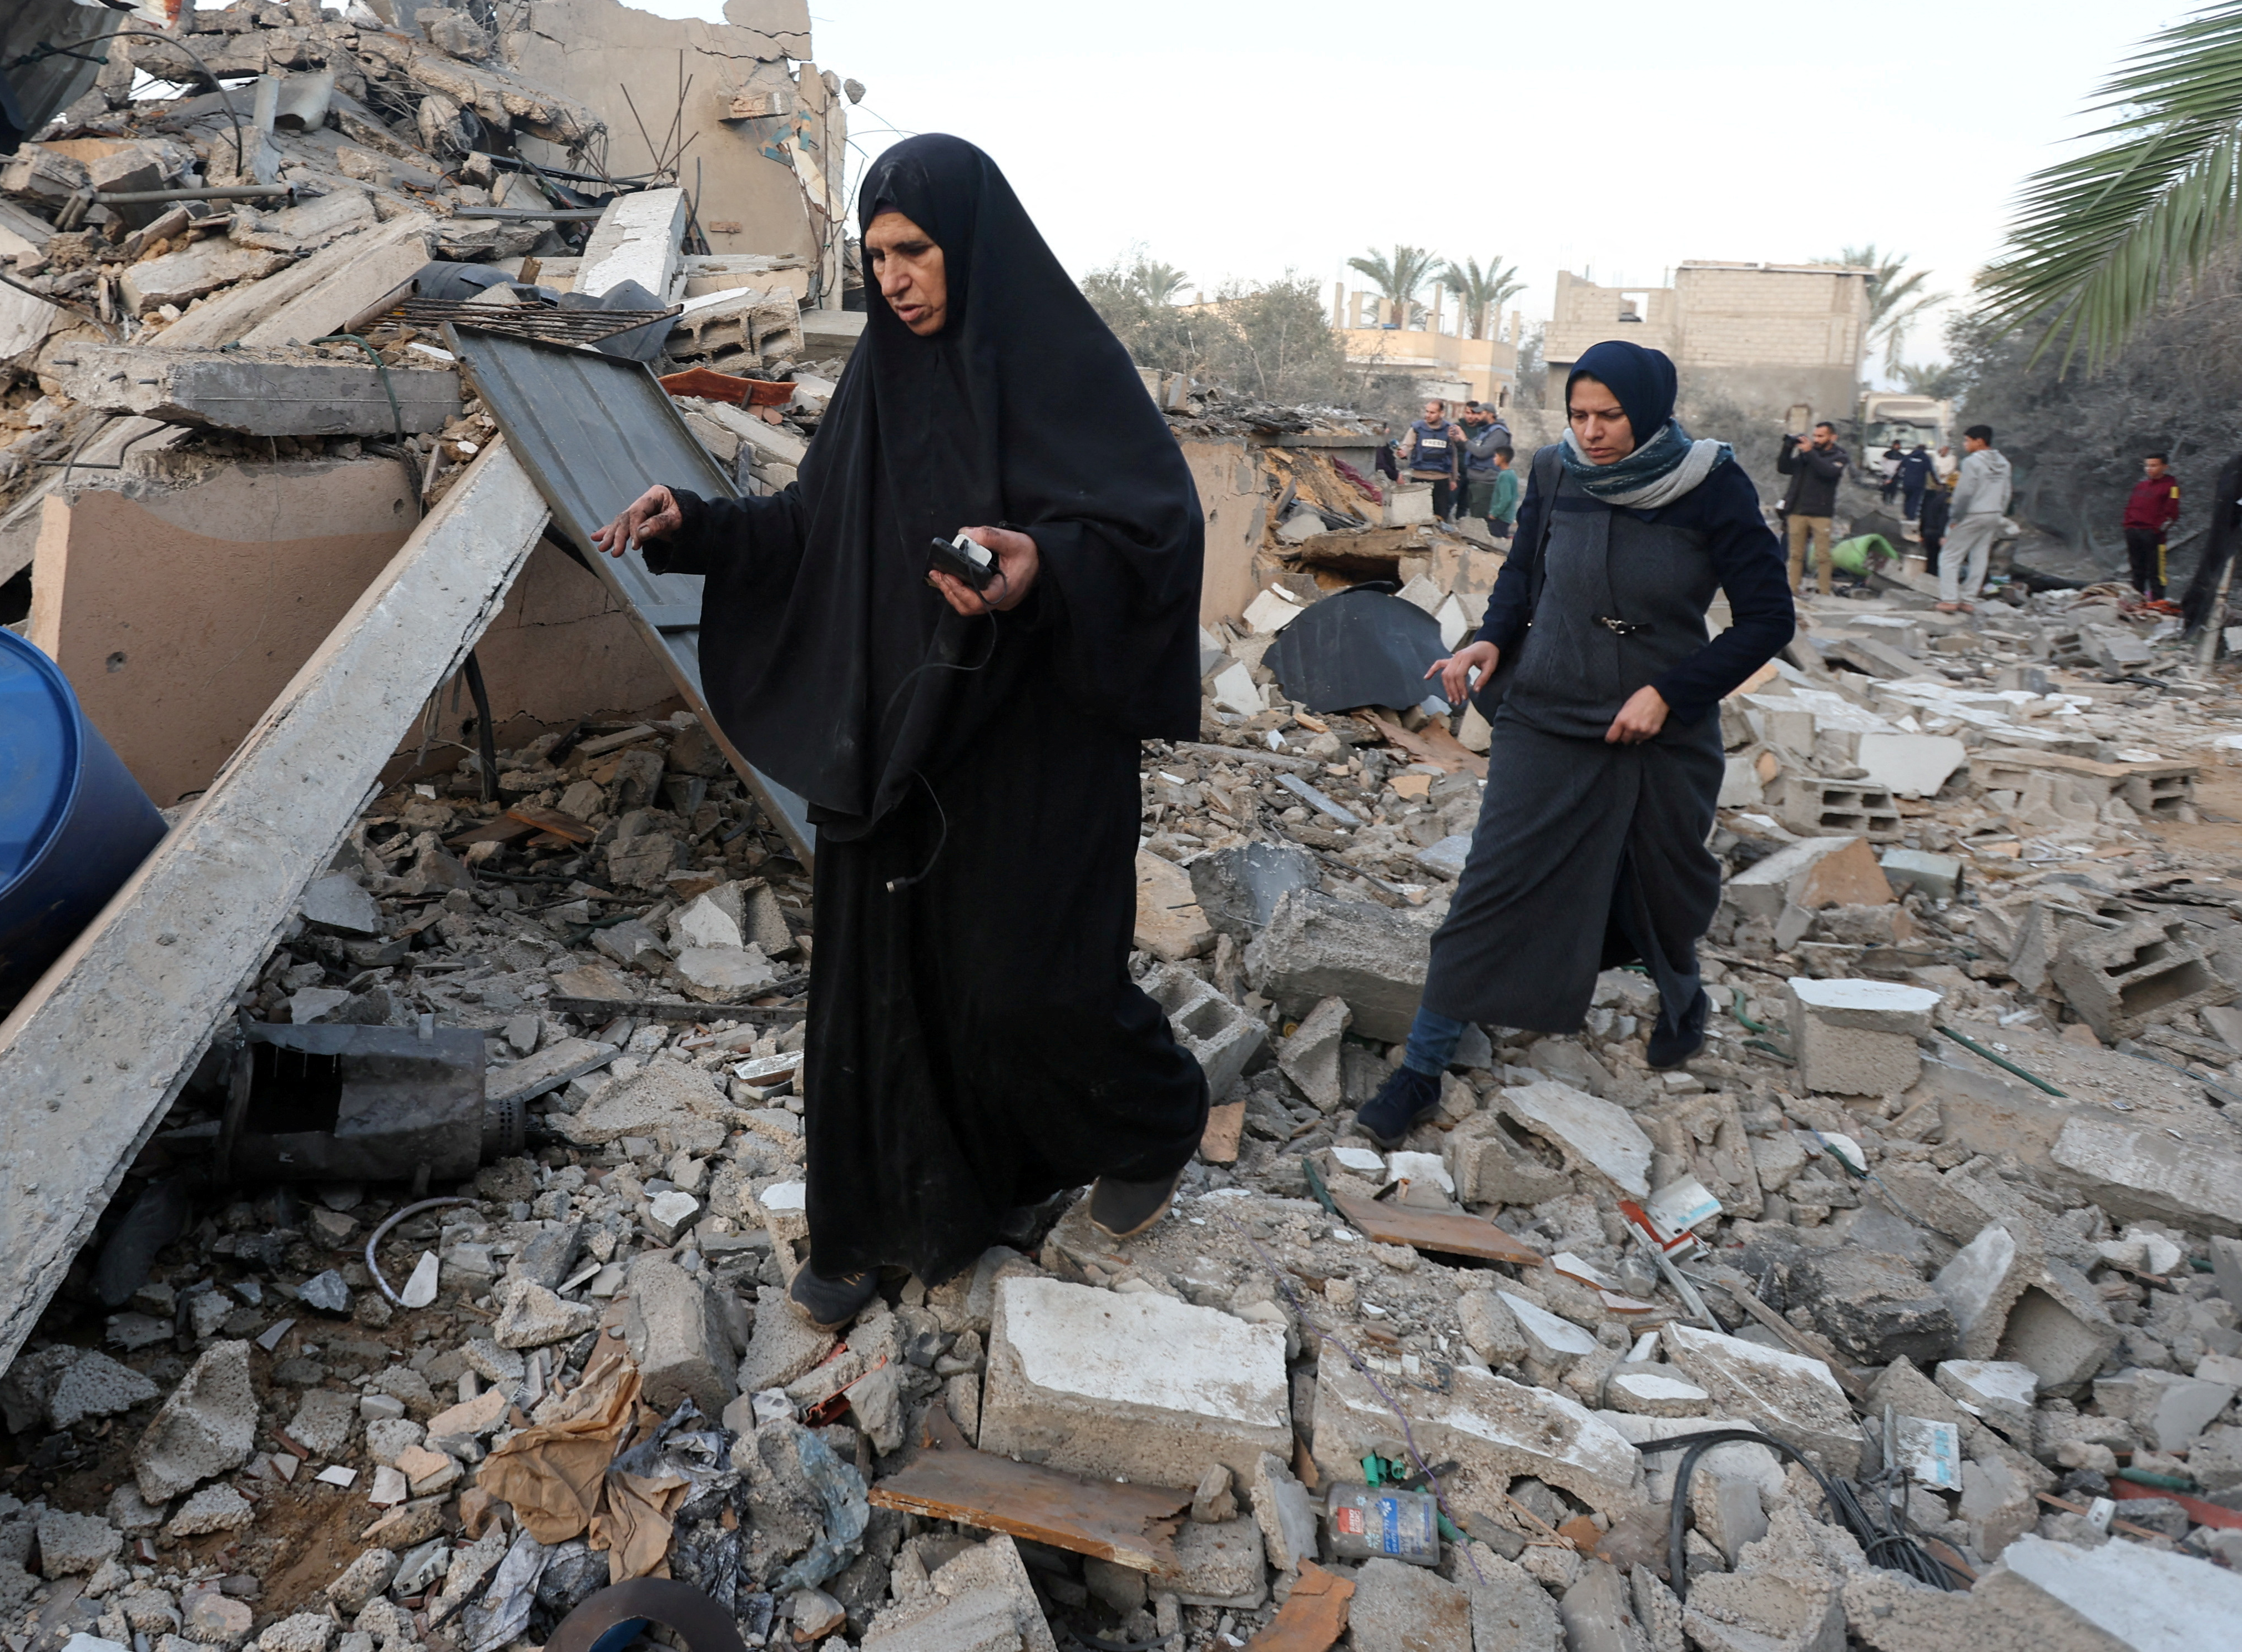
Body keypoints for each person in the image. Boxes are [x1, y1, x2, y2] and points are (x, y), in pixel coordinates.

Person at [590, 133, 1210, 1331]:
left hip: (1035, 741)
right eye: (874, 256)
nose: (894, 278)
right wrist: (700, 529)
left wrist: (1044, 567)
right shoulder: (881, 379)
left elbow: (1155, 535)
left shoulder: (1061, 368)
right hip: (896, 730)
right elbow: (812, 529)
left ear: (968, 245)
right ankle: (870, 1222)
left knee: (1028, 986)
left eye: (913, 251)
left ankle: (1154, 1119)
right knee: (875, 990)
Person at [1353, 343, 1793, 1143]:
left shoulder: (1712, 485)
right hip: (1549, 704)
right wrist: (1488, 640)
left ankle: (1682, 989)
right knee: (1492, 880)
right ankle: (1421, 1068)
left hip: (1660, 719)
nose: (1591, 432)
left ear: (1651, 409)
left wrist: (1671, 691)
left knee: (1665, 876)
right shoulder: (1558, 471)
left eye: (1610, 416)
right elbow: (1523, 572)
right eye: (1579, 414)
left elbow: (1770, 619)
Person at [1936, 424, 2013, 612]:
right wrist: (1998, 512)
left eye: (1967, 440)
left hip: (1973, 513)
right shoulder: (2004, 463)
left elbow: (1964, 493)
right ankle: (1969, 600)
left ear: (1979, 441)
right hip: (1993, 513)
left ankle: (1950, 600)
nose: (1965, 444)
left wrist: (1955, 517)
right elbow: (2007, 493)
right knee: (1980, 556)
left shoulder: (1972, 462)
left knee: (1950, 556)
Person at [1773, 422, 1846, 598]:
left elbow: (1828, 472)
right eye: (1815, 436)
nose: (1816, 440)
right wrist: (1788, 448)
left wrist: (1809, 451)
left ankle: (1824, 591)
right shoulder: (1807, 455)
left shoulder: (1839, 456)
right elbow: (1784, 468)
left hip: (1821, 513)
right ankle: (1792, 589)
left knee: (1822, 556)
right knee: (1795, 555)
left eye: (1821, 436)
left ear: (1833, 437)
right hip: (1797, 511)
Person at [2124, 451, 2179, 604]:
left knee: (2156, 570)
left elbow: (2172, 514)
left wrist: (2158, 530)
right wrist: (2128, 526)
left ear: (2165, 467)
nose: (2149, 469)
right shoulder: (2141, 486)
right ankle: (2137, 598)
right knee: (2137, 567)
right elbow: (2130, 507)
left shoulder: (2171, 487)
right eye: (2148, 466)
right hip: (2134, 531)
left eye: (2154, 465)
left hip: (2153, 534)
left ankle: (2158, 600)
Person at [1397, 400, 1463, 513]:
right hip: (1420, 477)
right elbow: (1407, 445)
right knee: (1417, 513)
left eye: (1432, 413)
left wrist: (1453, 479)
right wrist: (1403, 452)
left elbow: (1454, 455)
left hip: (1441, 479)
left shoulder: (1450, 430)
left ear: (1441, 413)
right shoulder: (1417, 428)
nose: (1428, 415)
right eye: (1427, 411)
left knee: (1440, 515)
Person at [1458, 401, 1514, 531]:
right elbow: (1471, 449)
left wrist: (1465, 440)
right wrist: (1458, 440)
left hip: (1486, 483)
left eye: (1479, 413)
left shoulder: (1499, 432)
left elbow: (1482, 452)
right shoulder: (1485, 431)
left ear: (1490, 415)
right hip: (1476, 481)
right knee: (1475, 520)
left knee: (1481, 524)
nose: (1476, 417)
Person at [1893, 441, 1934, 524]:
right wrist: (1938, 482)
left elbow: (1900, 469)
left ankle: (1906, 512)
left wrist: (1897, 478)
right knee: (1915, 499)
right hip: (1919, 483)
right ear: (1924, 450)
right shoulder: (1926, 459)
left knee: (1907, 497)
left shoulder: (1908, 457)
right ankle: (1911, 516)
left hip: (1907, 482)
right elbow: (1932, 471)